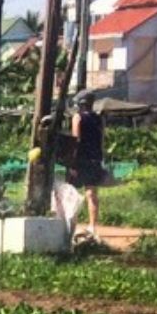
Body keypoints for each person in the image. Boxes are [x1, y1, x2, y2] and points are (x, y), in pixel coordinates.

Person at [64, 91, 106, 236]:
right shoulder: (99, 118)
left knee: (71, 193)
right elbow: (101, 140)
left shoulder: (78, 117)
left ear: (80, 104)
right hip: (95, 158)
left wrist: (72, 163)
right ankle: (93, 226)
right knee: (91, 193)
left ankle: (71, 225)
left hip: (81, 159)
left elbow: (76, 140)